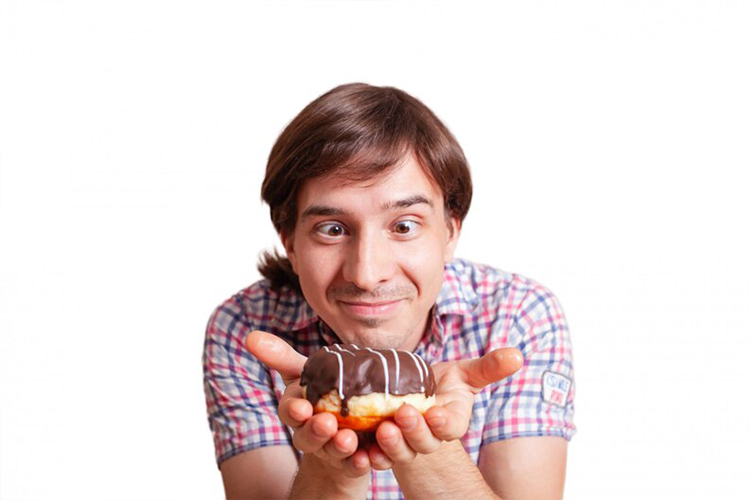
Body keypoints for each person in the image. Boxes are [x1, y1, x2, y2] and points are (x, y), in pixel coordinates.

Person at [202, 82, 576, 500]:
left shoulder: (519, 315)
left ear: (450, 231)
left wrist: (422, 432)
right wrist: (333, 469)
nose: (366, 273)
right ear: (289, 240)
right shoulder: (246, 328)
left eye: (403, 226)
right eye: (332, 229)